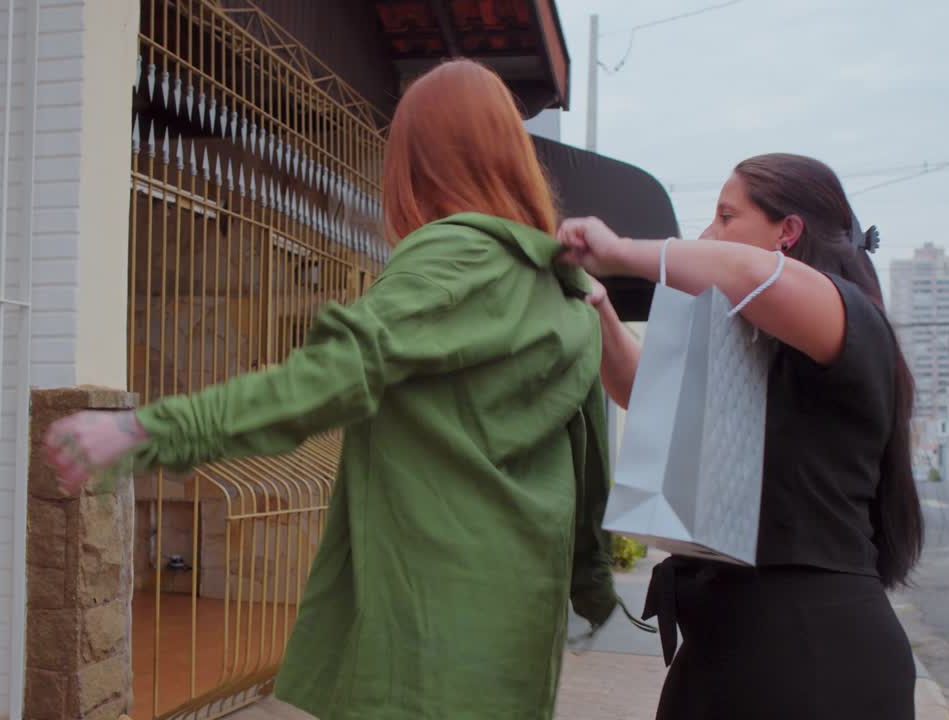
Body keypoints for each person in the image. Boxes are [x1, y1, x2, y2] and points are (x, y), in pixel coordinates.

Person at [43, 59, 618, 719]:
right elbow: (588, 456)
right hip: (521, 619)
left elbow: (324, 379)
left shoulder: (454, 258)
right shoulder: (562, 288)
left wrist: (143, 430)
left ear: (418, 161)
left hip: (428, 620)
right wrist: (590, 586)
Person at [557, 153, 923, 719]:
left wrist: (623, 250)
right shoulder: (749, 349)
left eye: (727, 217)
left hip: (814, 650)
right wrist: (601, 307)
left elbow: (749, 275)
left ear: (788, 232)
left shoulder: (847, 317)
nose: (708, 234)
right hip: (734, 643)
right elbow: (643, 392)